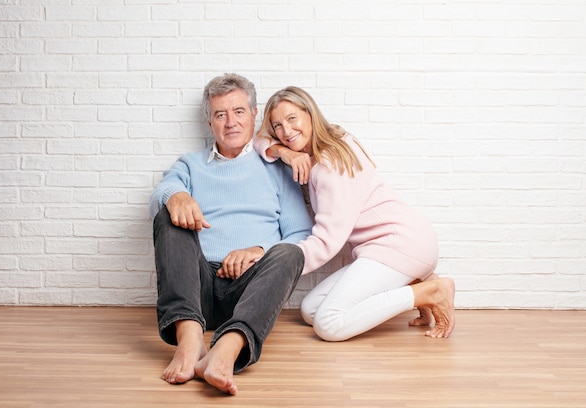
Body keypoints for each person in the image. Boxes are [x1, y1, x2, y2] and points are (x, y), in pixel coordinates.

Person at [149, 74, 313, 395]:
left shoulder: (277, 168)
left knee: (291, 253)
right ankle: (190, 340)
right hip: (196, 287)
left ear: (254, 114)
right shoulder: (191, 164)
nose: (230, 122)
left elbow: (300, 234)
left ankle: (227, 348)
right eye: (220, 114)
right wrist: (175, 196)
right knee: (167, 213)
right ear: (210, 123)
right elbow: (160, 192)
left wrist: (258, 250)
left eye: (239, 111)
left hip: (250, 290)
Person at [254, 86, 456, 342]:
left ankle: (428, 292)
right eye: (278, 125)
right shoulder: (333, 138)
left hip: (401, 245)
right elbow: (257, 139)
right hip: (387, 246)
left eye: (292, 119)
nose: (286, 131)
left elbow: (326, 243)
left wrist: (275, 267)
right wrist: (285, 152)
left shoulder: (328, 167)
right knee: (310, 310)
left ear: (310, 114)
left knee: (327, 324)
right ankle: (415, 285)